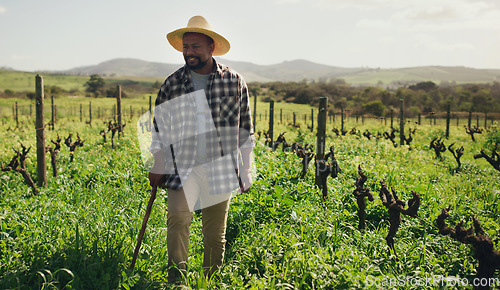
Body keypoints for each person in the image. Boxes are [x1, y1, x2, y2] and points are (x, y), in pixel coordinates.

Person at [148, 15, 254, 283]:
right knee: (178, 218)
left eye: (195, 46)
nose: (189, 52)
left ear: (211, 48)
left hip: (221, 165)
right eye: (186, 46)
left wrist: (246, 169)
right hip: (183, 165)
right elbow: (158, 127)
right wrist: (158, 164)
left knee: (215, 231)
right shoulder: (172, 83)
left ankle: (210, 281)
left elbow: (245, 131)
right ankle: (177, 280)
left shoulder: (234, 81)